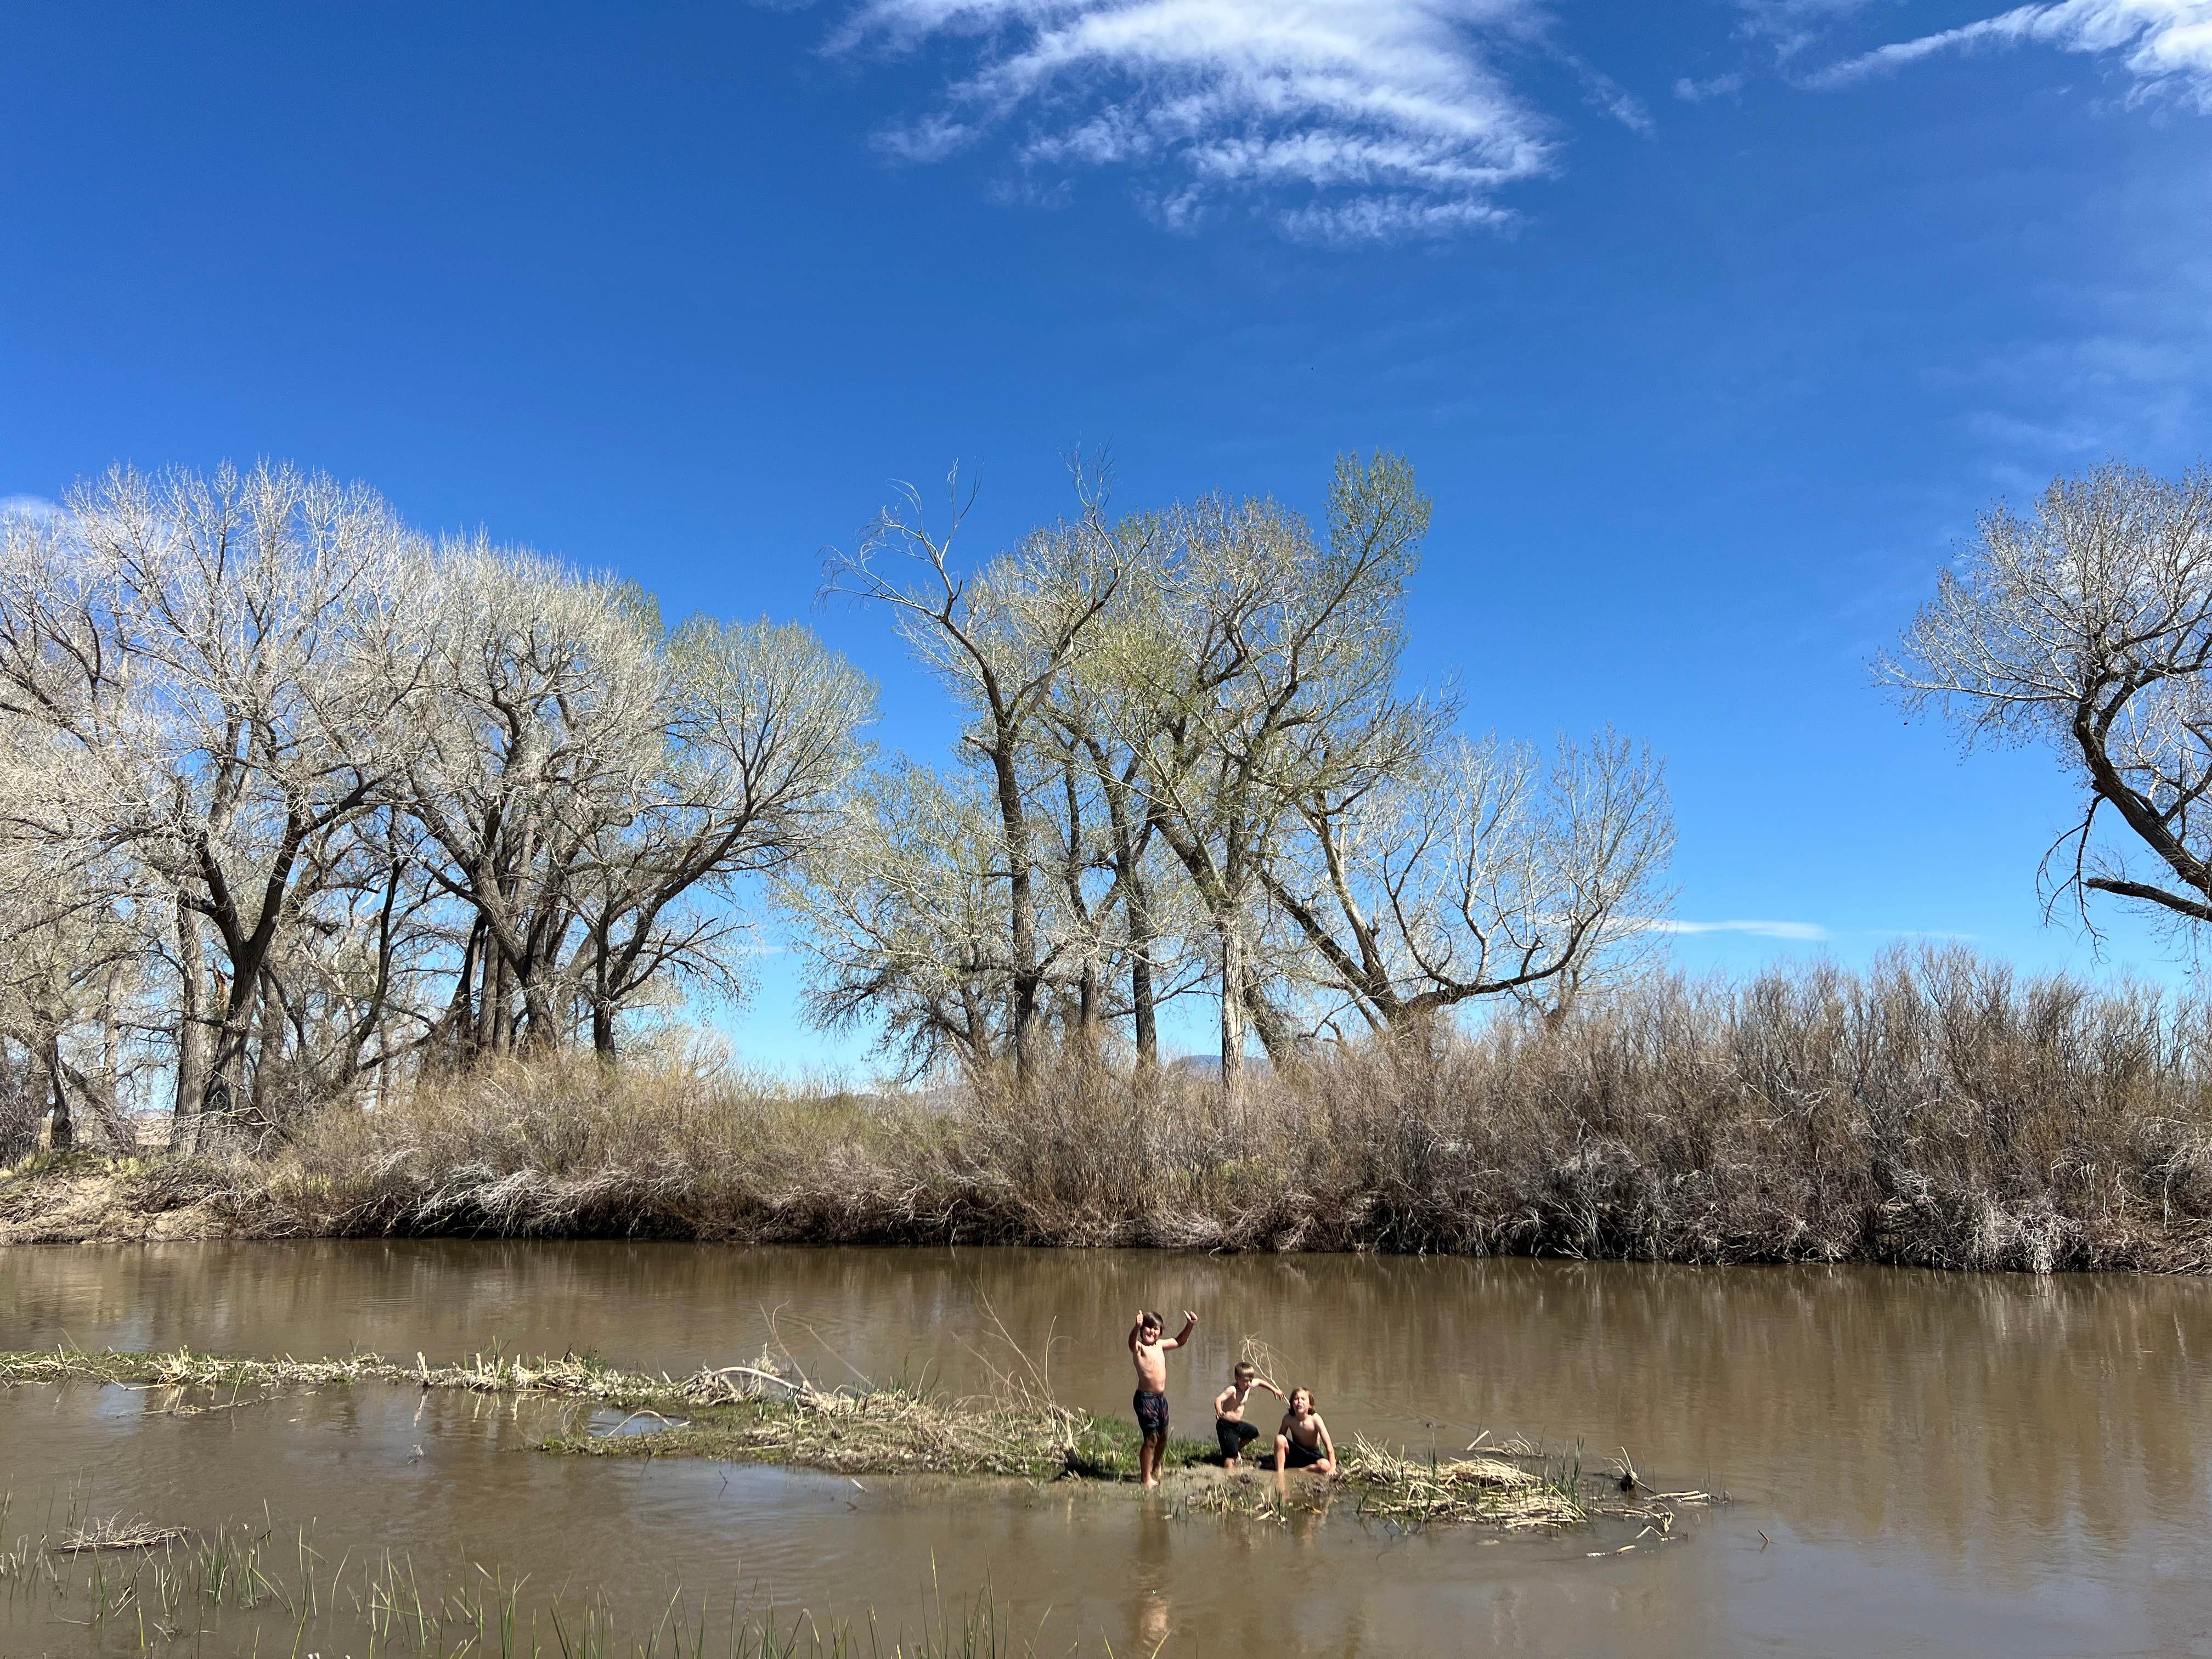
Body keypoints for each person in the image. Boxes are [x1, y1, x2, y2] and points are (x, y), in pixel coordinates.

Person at [1127, 1308, 1197, 1489]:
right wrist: (1136, 1327)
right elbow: (1131, 1342)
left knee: (1163, 1435)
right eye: (1148, 1328)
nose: (1152, 1331)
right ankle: (1146, 1478)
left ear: (1161, 1332)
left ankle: (1157, 1464)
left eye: (1156, 1328)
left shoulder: (1160, 1345)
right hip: (1145, 1399)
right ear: (1143, 1330)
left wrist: (1190, 1325)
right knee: (1151, 1439)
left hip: (1160, 1399)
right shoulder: (1140, 1348)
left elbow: (1180, 1341)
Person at [1214, 1361, 1284, 1466]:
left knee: (1253, 1432)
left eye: (1251, 1380)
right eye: (1246, 1381)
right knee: (1230, 1458)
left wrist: (1274, 1390)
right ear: (1237, 1378)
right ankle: (1228, 1475)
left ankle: (1236, 1448)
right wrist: (1219, 1410)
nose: (1249, 1384)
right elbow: (1218, 1400)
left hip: (1237, 1425)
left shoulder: (1249, 1386)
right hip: (1226, 1426)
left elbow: (1260, 1382)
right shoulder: (1233, 1390)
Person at [1271, 1387, 1336, 1476]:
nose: (1299, 1401)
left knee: (1325, 1466)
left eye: (1303, 1399)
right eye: (1296, 1399)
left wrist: (1333, 1467)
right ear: (1292, 1403)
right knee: (1279, 1439)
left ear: (1310, 1404)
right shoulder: (1288, 1418)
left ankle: (1301, 1470)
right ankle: (1280, 1473)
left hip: (1313, 1454)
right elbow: (1279, 1442)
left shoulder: (1316, 1419)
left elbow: (1329, 1446)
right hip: (1296, 1451)